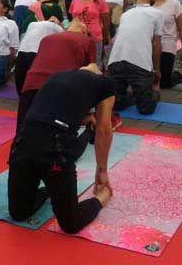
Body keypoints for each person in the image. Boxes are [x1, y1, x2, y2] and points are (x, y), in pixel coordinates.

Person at [7, 65, 115, 234]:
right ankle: (102, 197)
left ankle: (52, 191)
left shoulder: (58, 75)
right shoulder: (105, 84)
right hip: (55, 148)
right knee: (71, 223)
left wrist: (86, 118)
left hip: (23, 142)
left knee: (18, 212)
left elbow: (55, 108)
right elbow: (104, 129)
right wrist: (102, 171)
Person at [18, 18, 94, 127]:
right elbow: (91, 75)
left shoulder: (46, 39)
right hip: (59, 88)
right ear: (83, 31)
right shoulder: (87, 40)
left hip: (31, 85)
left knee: (23, 129)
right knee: (56, 134)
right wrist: (89, 112)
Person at [107, 0, 162, 114]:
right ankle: (134, 95)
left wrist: (156, 70)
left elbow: (156, 44)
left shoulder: (156, 13)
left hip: (138, 63)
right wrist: (156, 71)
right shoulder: (125, 14)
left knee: (145, 109)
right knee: (115, 105)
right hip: (118, 62)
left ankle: (142, 94)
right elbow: (156, 44)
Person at [151, 0, 182, 88]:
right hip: (149, 44)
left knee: (164, 83)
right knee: (150, 79)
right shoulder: (148, 4)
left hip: (167, 44)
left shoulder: (174, 4)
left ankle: (176, 75)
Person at [14, 14, 63, 95]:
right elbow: (64, 34)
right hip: (35, 53)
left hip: (22, 52)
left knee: (21, 85)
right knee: (33, 87)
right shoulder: (54, 26)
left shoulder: (32, 24)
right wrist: (59, 24)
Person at [69, 0, 110, 67]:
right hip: (77, 37)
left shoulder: (101, 1)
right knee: (78, 64)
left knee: (95, 64)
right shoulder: (74, 1)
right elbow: (74, 20)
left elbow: (106, 22)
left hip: (95, 38)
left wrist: (105, 36)